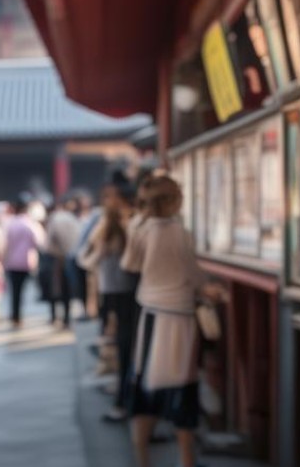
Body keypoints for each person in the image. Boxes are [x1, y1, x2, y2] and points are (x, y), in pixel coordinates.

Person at [121, 174, 222, 467]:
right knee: (182, 386)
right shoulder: (179, 232)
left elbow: (129, 264)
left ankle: (141, 458)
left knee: (144, 384)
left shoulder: (140, 227)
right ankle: (186, 460)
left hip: (149, 312)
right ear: (173, 200)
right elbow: (192, 275)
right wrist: (209, 289)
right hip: (178, 315)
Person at [78, 196, 135, 422]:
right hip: (128, 293)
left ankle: (118, 389)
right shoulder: (126, 235)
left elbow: (86, 260)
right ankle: (121, 390)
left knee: (114, 337)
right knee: (123, 341)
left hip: (110, 294)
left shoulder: (104, 237)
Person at [1, 198, 46, 327]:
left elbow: (4, 244)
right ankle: (19, 315)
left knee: (14, 291)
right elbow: (40, 242)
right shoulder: (31, 224)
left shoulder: (9, 223)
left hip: (11, 262)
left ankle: (15, 315)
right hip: (27, 262)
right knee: (24, 290)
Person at [45, 197, 82, 328]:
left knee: (55, 288)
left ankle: (55, 316)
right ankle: (66, 317)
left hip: (58, 258)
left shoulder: (55, 218)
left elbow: (48, 244)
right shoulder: (73, 219)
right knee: (67, 288)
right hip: (72, 256)